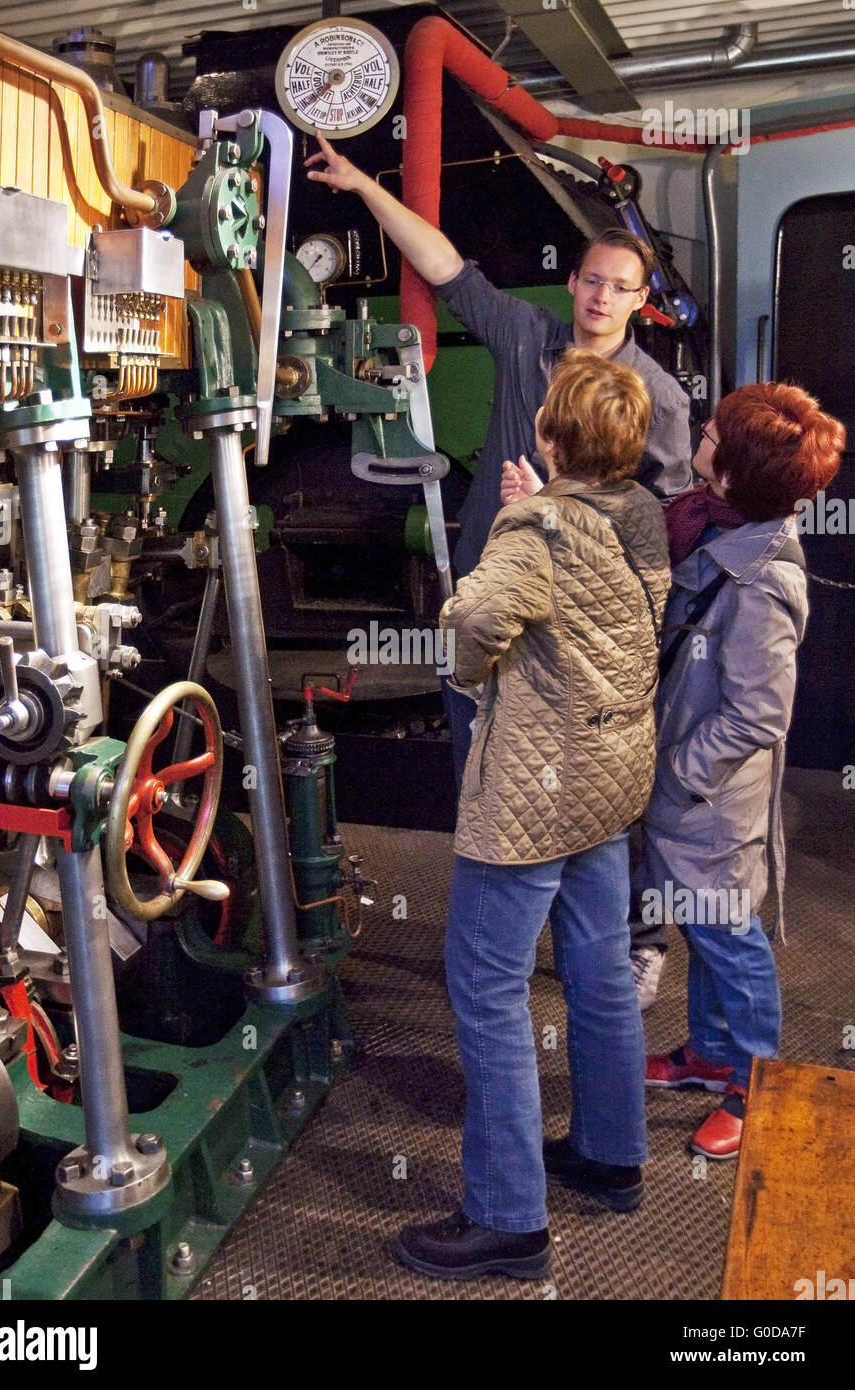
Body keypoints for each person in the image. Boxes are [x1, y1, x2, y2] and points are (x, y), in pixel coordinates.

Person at [307, 132, 689, 1005]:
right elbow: (445, 267)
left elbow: (662, 530)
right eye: (589, 279)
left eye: (618, 286)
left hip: (586, 638)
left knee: (606, 797)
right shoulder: (524, 335)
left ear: (641, 302)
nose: (598, 296)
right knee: (486, 778)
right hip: (493, 615)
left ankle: (634, 942)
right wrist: (367, 186)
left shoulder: (655, 399)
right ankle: (507, 937)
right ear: (573, 284)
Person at [389, 350, 671, 1281]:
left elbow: (474, 622)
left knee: (486, 986)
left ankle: (507, 1216)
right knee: (595, 967)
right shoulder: (641, 514)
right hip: (609, 773)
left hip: (533, 791)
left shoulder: (536, 529)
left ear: (550, 439)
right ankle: (609, 1154)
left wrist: (467, 673)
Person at [635, 382, 844, 1159]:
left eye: (716, 430)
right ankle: (708, 1054)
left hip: (708, 799)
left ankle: (757, 1083)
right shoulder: (707, 522)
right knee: (700, 926)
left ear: (732, 472)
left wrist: (675, 777)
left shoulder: (762, 580)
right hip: (687, 790)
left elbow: (757, 716)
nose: (704, 427)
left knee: (729, 939)